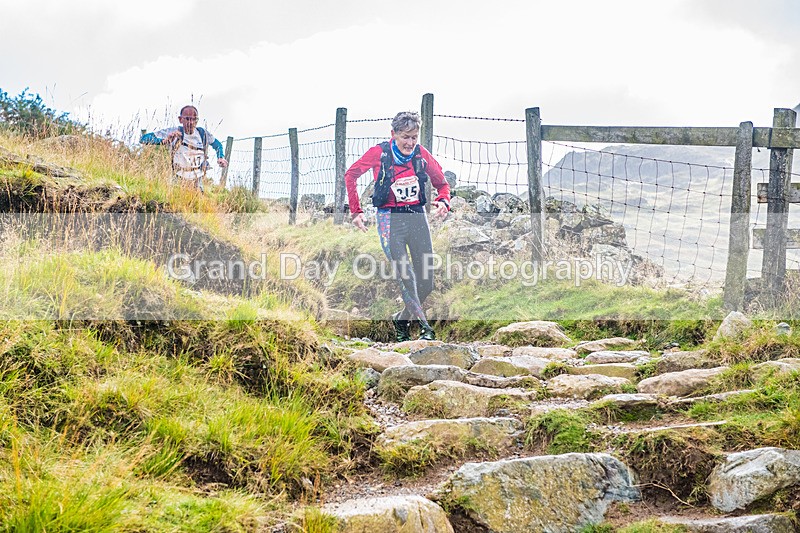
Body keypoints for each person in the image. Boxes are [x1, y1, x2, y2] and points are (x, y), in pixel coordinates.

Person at [345, 111, 451, 341]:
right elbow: (351, 175)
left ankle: (401, 319)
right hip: (389, 220)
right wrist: (356, 211)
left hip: (416, 217)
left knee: (427, 283)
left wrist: (444, 201)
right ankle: (425, 328)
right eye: (405, 137)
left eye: (414, 137)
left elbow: (442, 183)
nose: (410, 143)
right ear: (393, 134)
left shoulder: (421, 155)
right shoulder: (379, 153)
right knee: (407, 275)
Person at [140, 105, 227, 191]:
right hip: (178, 179)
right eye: (188, 119)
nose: (191, 122)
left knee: (197, 204)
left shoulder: (203, 133)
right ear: (180, 119)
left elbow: (217, 145)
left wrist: (221, 157)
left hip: (197, 180)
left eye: (194, 119)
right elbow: (144, 139)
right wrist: (165, 141)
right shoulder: (174, 131)